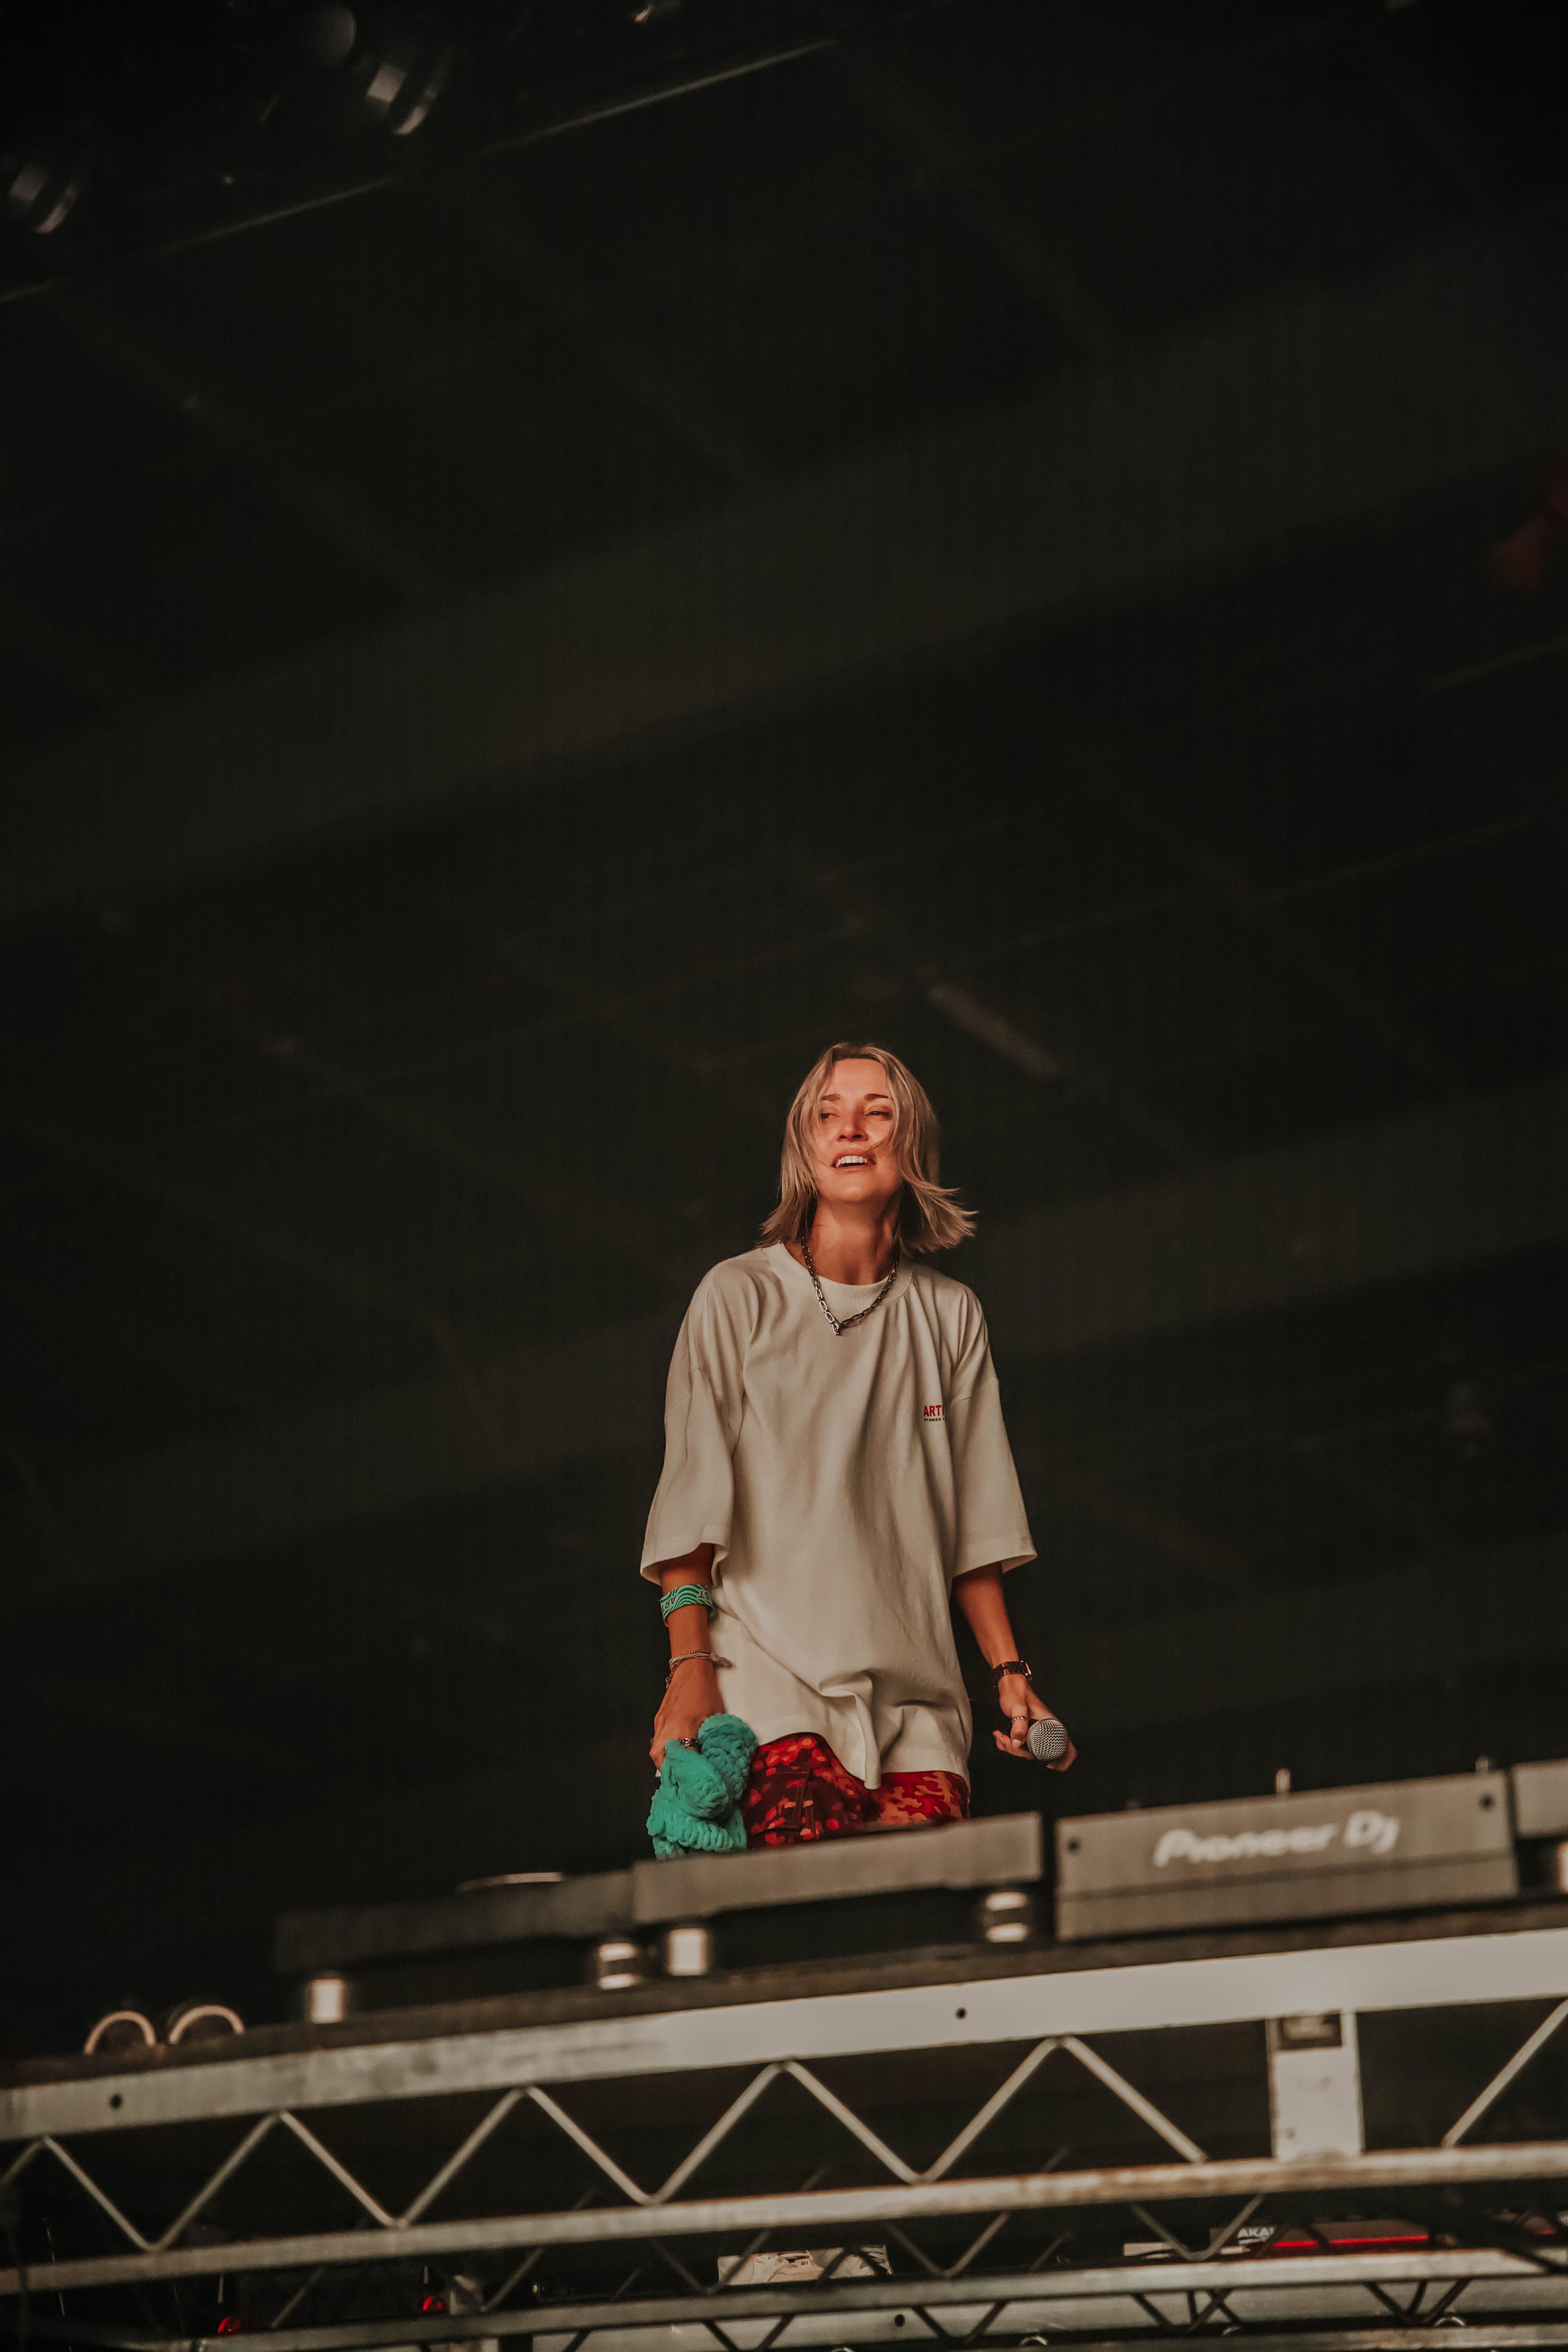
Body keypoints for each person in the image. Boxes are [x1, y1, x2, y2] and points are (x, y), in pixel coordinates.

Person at [642, 1040, 1074, 1851]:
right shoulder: (738, 1296)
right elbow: (690, 1504)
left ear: (912, 1148)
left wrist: (1010, 1677)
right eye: (827, 1113)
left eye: (879, 1113)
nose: (854, 1129)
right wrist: (687, 1668)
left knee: (920, 1952)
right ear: (802, 1150)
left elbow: (972, 1524)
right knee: (796, 1950)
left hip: (922, 1713)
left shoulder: (950, 1315)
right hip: (771, 1694)